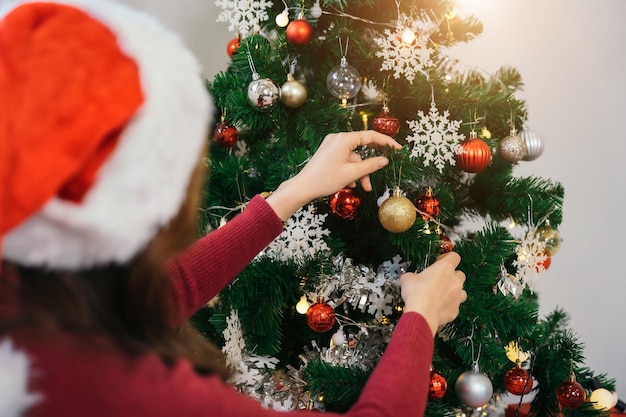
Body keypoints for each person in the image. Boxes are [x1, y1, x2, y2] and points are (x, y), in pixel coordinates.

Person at [0, 1, 467, 416]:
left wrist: (291, 192)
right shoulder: (119, 389)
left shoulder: (33, 297)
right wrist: (422, 315)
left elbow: (159, 292)